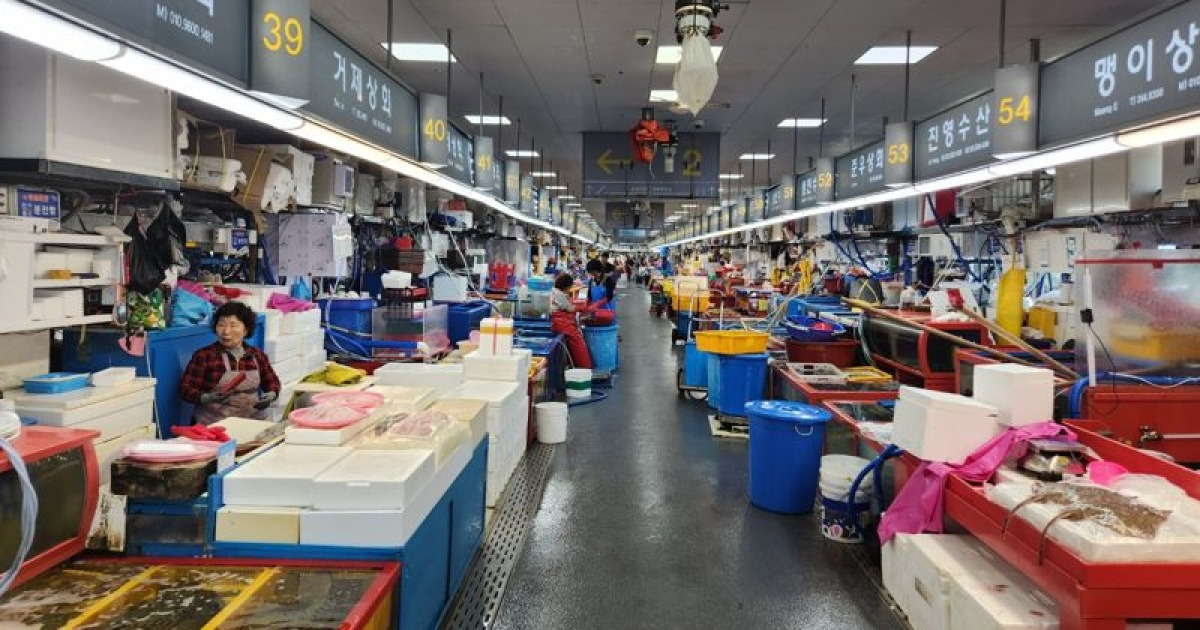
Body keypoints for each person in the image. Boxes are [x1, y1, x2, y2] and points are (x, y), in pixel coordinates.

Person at [180, 301, 281, 425]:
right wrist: (206, 398)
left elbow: (272, 382)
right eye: (221, 325)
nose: (226, 331)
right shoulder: (204, 356)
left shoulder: (257, 355)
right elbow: (185, 389)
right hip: (214, 425)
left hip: (253, 422)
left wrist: (271, 395)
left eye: (233, 325)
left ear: (246, 330)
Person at [549, 273, 592, 368]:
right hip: (562, 323)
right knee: (577, 341)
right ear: (566, 286)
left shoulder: (555, 291)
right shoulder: (559, 294)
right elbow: (570, 308)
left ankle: (578, 366)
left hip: (560, 322)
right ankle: (584, 367)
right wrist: (583, 308)